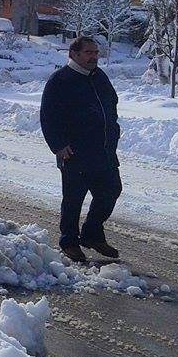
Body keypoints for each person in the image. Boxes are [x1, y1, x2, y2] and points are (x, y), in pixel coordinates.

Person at [40, 36, 122, 264]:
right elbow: (48, 116)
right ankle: (69, 242)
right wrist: (58, 145)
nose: (94, 56)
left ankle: (92, 234)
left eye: (95, 52)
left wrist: (113, 130)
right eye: (88, 52)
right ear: (73, 54)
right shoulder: (61, 80)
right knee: (73, 199)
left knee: (111, 191)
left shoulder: (100, 77)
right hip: (74, 152)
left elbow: (111, 104)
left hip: (103, 151)